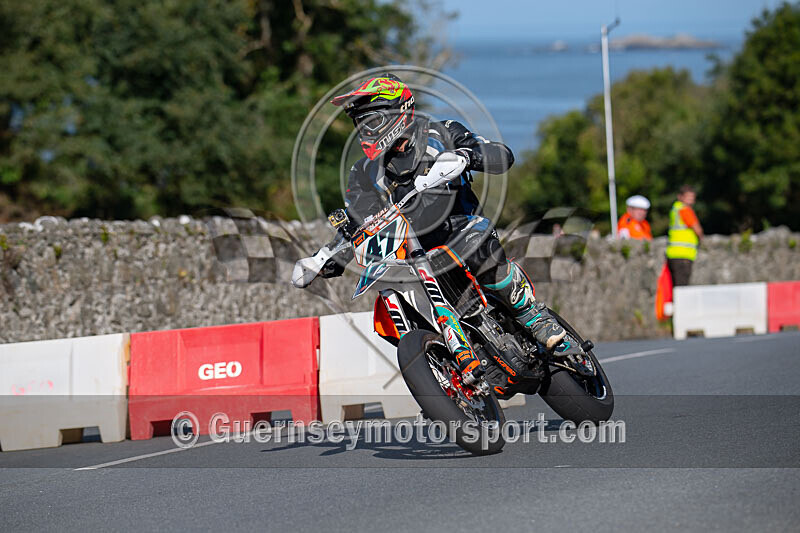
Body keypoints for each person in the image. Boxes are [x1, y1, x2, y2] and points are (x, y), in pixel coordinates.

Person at [308, 74, 581, 382]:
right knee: (390, 293)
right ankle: (439, 366)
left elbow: (502, 155)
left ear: (399, 110)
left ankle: (533, 315)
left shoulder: (442, 132)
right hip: (411, 253)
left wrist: (468, 155)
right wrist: (331, 254)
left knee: (479, 251)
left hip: (461, 228)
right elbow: (359, 215)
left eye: (371, 121)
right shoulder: (364, 172)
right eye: (361, 124)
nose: (365, 130)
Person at [666, 185, 704, 286]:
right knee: (682, 288)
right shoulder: (685, 210)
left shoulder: (675, 209)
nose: (690, 200)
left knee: (677, 287)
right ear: (680, 197)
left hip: (674, 253)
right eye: (688, 197)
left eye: (692, 198)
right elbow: (697, 230)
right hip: (683, 254)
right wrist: (701, 239)